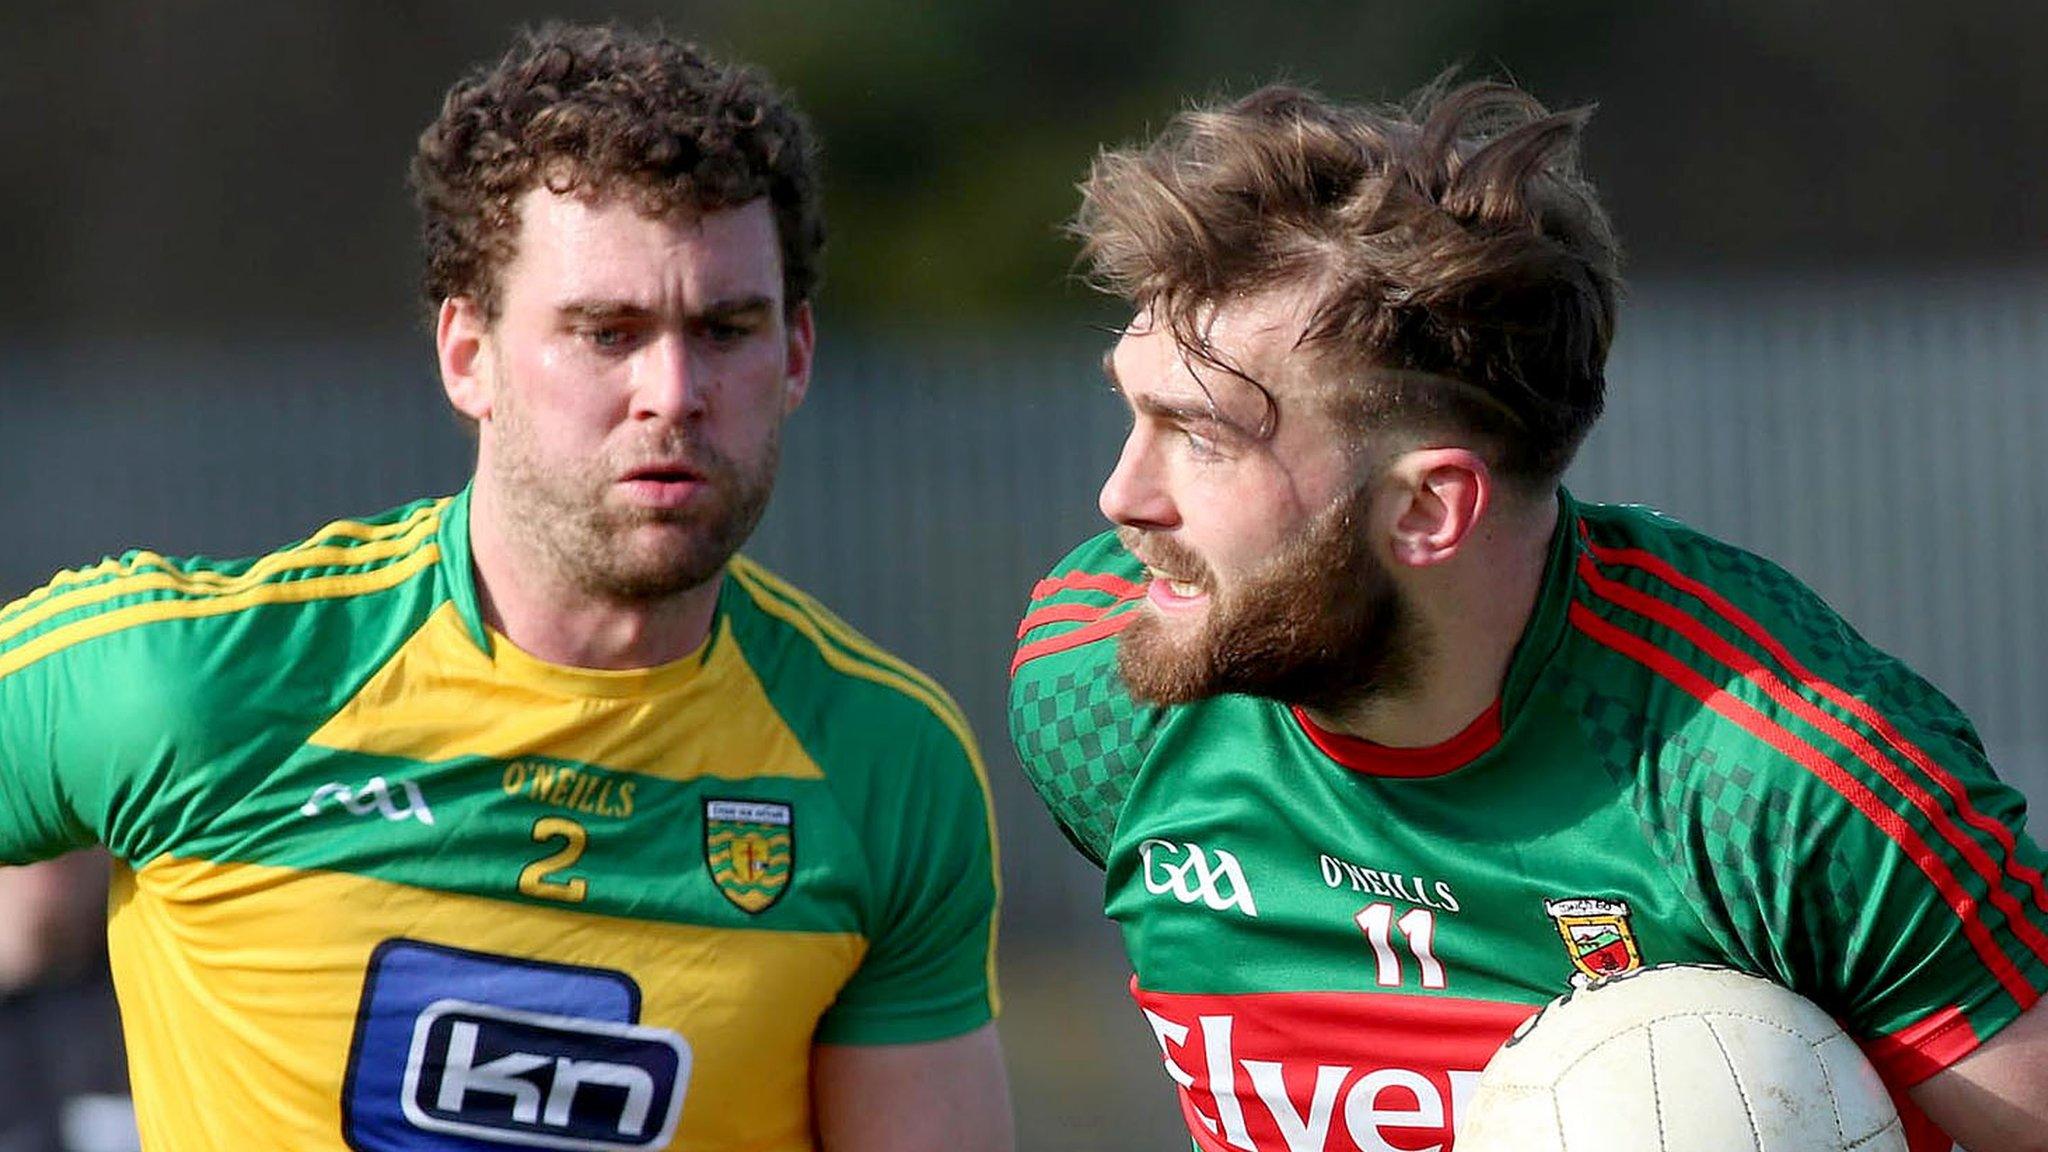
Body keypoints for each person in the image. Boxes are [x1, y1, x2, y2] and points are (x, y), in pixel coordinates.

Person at [0, 24, 1010, 1152]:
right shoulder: (189, 679)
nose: (670, 392)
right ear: (465, 354)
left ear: (797, 355)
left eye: (724, 330)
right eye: (606, 332)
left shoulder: (884, 763)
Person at [1009, 79, 2048, 1152]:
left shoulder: (1781, 792)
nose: (1122, 497)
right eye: (1133, 412)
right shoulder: (1098, 684)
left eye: (1202, 436)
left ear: (1426, 509)